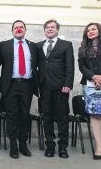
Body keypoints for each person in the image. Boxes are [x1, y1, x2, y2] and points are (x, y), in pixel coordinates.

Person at [0, 20, 38, 159]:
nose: (19, 29)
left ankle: (23, 145)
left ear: (25, 30)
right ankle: (13, 146)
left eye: (21, 27)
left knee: (24, 115)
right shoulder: (4, 46)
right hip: (11, 85)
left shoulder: (33, 46)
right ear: (12, 31)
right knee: (12, 116)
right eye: (16, 27)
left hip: (27, 85)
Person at [36, 19, 74, 158]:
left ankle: (63, 147)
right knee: (46, 117)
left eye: (52, 27)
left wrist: (68, 84)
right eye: (47, 27)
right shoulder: (38, 45)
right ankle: (50, 145)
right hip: (44, 86)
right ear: (44, 30)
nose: (50, 29)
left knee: (62, 117)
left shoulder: (66, 45)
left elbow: (70, 66)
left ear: (57, 30)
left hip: (61, 87)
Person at [78, 22, 101, 160]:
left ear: (99, 31)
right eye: (88, 30)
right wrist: (94, 77)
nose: (91, 31)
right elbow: (81, 66)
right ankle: (99, 145)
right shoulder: (83, 48)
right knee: (95, 114)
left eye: (93, 29)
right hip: (90, 84)